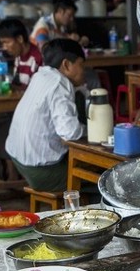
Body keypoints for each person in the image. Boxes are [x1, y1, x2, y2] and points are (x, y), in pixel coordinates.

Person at [6, 39, 86, 192]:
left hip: (18, 158)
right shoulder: (60, 84)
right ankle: (84, 211)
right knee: (103, 177)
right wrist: (91, 132)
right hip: (40, 171)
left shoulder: (41, 75)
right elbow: (70, 133)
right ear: (67, 65)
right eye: (81, 64)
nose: (84, 70)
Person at [0, 17, 44, 87]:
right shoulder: (18, 56)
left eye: (7, 42)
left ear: (20, 39)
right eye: (2, 44)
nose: (4, 47)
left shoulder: (38, 58)